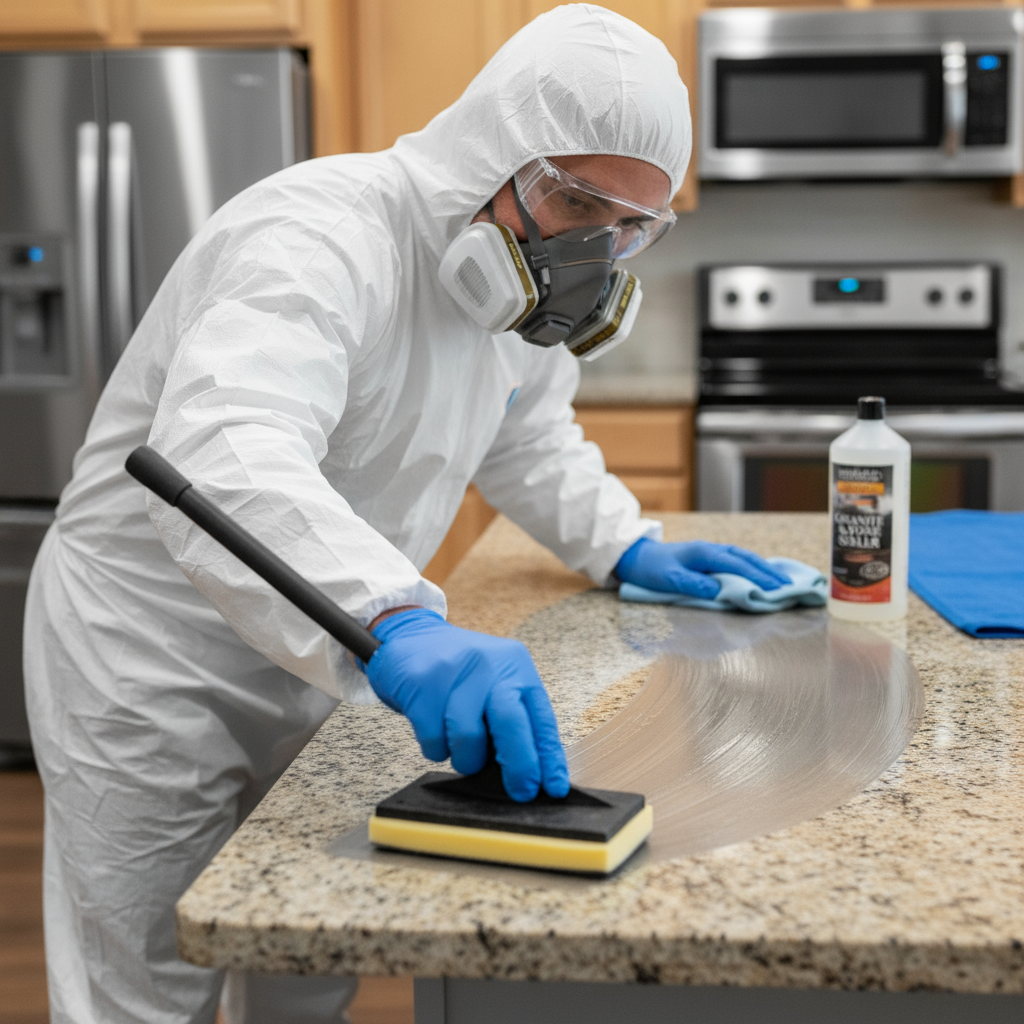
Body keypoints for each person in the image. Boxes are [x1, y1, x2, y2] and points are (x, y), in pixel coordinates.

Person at [23, 5, 788, 1024]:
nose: (596, 248)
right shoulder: (319, 234)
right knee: (144, 982)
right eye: (576, 201)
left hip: (330, 644)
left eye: (629, 227)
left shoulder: (513, 300)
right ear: (492, 153)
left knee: (307, 944)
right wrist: (393, 614)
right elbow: (228, 447)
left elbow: (527, 438)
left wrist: (625, 543)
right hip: (152, 652)